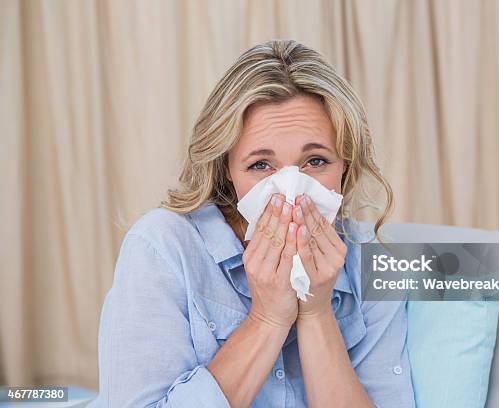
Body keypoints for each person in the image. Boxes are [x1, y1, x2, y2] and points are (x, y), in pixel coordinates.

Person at [89, 39, 414, 408]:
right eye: (261, 165)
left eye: (316, 161)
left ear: (346, 165)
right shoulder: (162, 247)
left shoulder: (369, 255)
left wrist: (316, 311)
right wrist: (267, 318)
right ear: (227, 171)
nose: (291, 190)